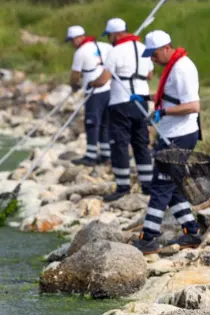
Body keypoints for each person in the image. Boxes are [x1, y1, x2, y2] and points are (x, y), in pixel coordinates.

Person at [131, 30, 202, 255]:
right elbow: (170, 95)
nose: (152, 59)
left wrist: (163, 111)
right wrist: (147, 98)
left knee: (161, 186)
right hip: (171, 134)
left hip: (180, 135)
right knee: (171, 188)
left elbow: (193, 106)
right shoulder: (173, 67)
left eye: (154, 54)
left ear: (167, 48)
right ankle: (191, 231)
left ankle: (148, 238)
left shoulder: (181, 69)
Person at [90, 18, 155, 202]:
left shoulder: (115, 51)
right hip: (141, 101)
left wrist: (91, 83)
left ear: (116, 34)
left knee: (119, 144)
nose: (109, 39)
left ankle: (123, 187)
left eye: (109, 35)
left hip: (121, 102)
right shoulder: (144, 48)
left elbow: (103, 79)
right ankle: (147, 185)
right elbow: (150, 75)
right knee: (141, 143)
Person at [66, 25, 113, 167]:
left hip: (94, 92)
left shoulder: (80, 52)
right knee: (105, 123)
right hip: (109, 89)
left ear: (79, 38)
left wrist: (74, 86)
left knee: (91, 123)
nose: (72, 44)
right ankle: (106, 154)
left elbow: (75, 75)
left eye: (72, 40)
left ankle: (90, 156)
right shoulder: (104, 46)